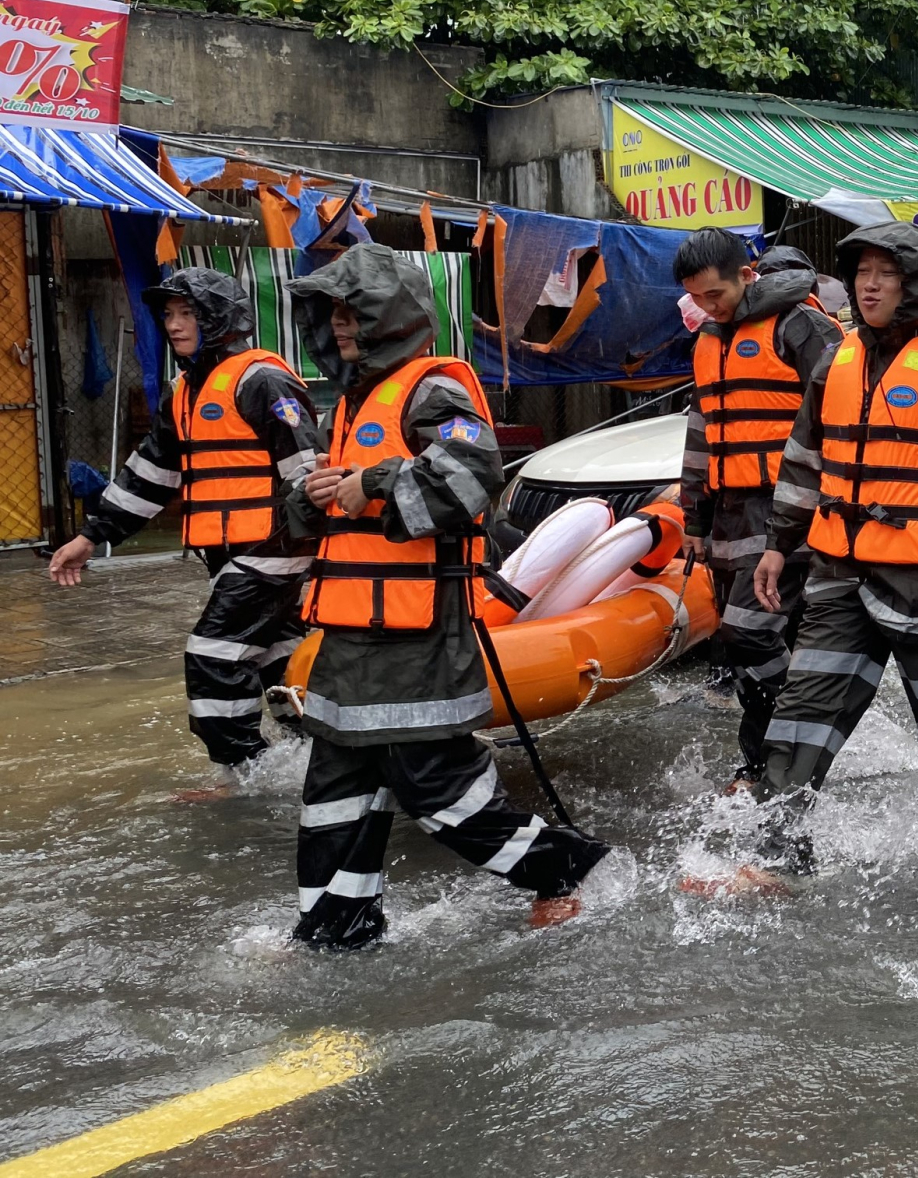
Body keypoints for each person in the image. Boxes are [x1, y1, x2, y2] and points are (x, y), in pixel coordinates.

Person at [283, 244, 606, 949]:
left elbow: (469, 476)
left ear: (387, 316)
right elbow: (318, 520)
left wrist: (368, 486)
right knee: (332, 798)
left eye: (352, 311)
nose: (339, 326)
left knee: (440, 794)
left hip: (416, 643)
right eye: (332, 313)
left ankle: (567, 871)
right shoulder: (350, 402)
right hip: (349, 645)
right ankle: (334, 930)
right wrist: (306, 498)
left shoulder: (435, 391)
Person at [740, 222, 918, 883]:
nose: (869, 284)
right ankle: (779, 859)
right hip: (839, 566)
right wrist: (778, 543)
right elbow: (803, 458)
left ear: (916, 283)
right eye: (862, 272)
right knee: (802, 708)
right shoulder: (837, 360)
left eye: (886, 273)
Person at [49, 269, 322, 774]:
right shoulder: (184, 393)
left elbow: (308, 472)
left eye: (187, 313)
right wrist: (91, 537)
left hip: (273, 547)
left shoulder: (261, 379)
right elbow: (150, 475)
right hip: (230, 552)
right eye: (169, 314)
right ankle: (319, 755)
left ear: (218, 318)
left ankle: (245, 773)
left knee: (213, 655)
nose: (174, 325)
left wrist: (309, 557)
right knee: (279, 656)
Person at [676, 230, 842, 787]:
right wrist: (693, 518)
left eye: (714, 295)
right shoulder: (707, 340)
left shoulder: (802, 327)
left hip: (788, 510)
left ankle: (800, 723)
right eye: (695, 298)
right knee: (751, 650)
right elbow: (700, 435)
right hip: (726, 514)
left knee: (745, 632)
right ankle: (762, 763)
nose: (706, 307)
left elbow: (841, 422)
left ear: (747, 275)